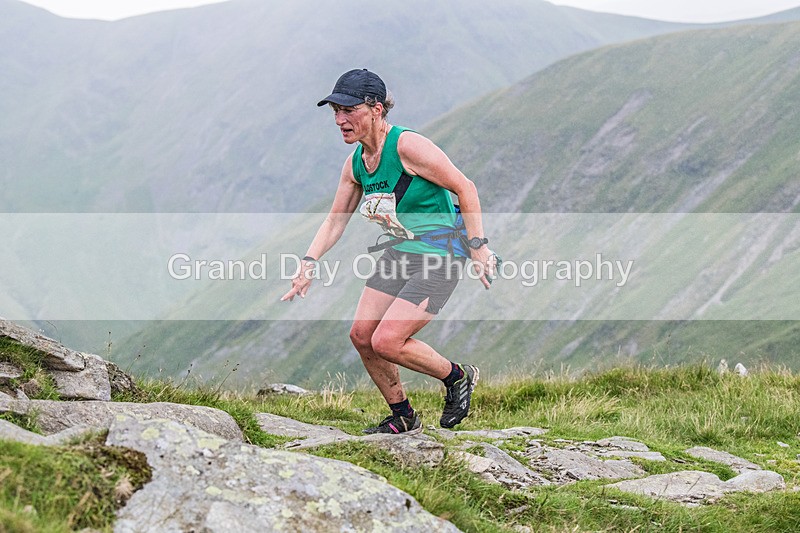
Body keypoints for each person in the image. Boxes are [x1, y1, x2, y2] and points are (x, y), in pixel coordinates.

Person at [281, 68, 495, 434]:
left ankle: (457, 376)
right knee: (362, 336)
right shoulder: (355, 164)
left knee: (387, 340)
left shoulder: (407, 146)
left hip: (441, 254)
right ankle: (404, 416)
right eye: (335, 111)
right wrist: (308, 262)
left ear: (376, 109)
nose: (339, 120)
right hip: (399, 254)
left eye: (348, 110)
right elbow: (334, 222)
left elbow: (466, 187)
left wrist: (478, 247)